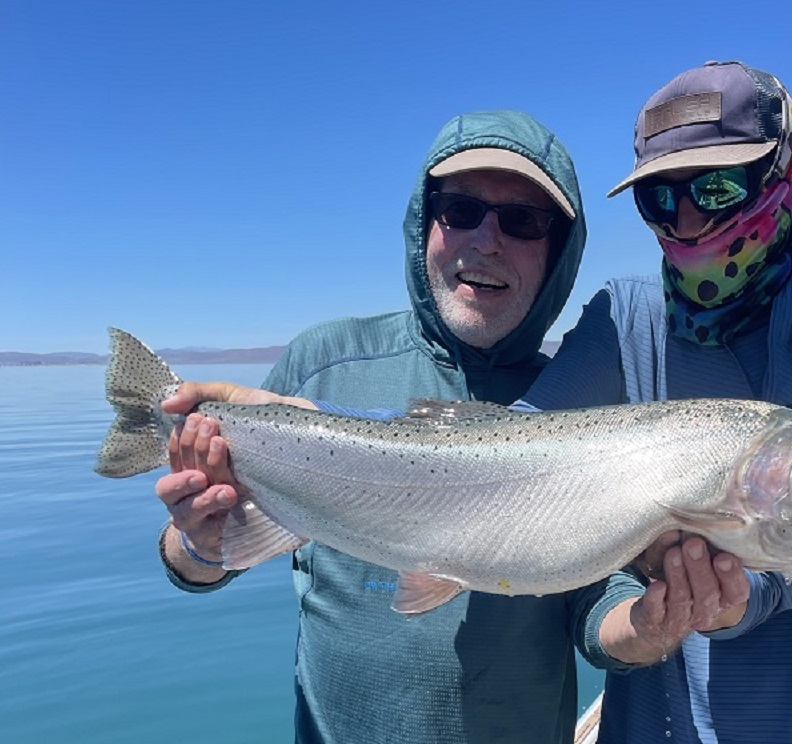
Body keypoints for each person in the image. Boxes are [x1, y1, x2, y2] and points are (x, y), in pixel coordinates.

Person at [153, 108, 750, 744]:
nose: (485, 241)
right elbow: (205, 561)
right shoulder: (322, 363)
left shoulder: (579, 405)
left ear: (560, 251)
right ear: (424, 221)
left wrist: (654, 628)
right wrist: (199, 542)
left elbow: (595, 612)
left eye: (522, 221)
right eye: (460, 210)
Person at [516, 61, 792, 743]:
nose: (685, 220)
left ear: (784, 173)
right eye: (658, 198)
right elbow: (520, 454)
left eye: (715, 186)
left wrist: (719, 595)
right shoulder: (620, 324)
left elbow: (786, 568)